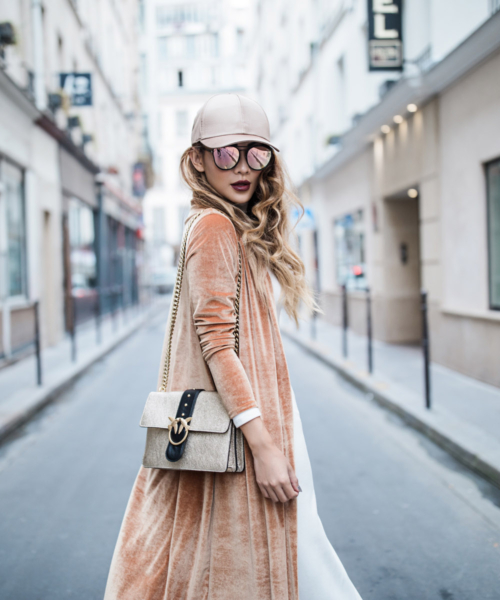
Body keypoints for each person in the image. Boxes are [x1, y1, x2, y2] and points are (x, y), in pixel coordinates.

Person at [104, 94, 362, 600]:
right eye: (225, 153)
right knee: (286, 558)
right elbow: (217, 344)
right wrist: (264, 447)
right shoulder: (216, 226)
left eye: (256, 153)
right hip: (248, 429)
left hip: (256, 419)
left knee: (257, 560)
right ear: (197, 159)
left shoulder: (229, 224)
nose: (242, 167)